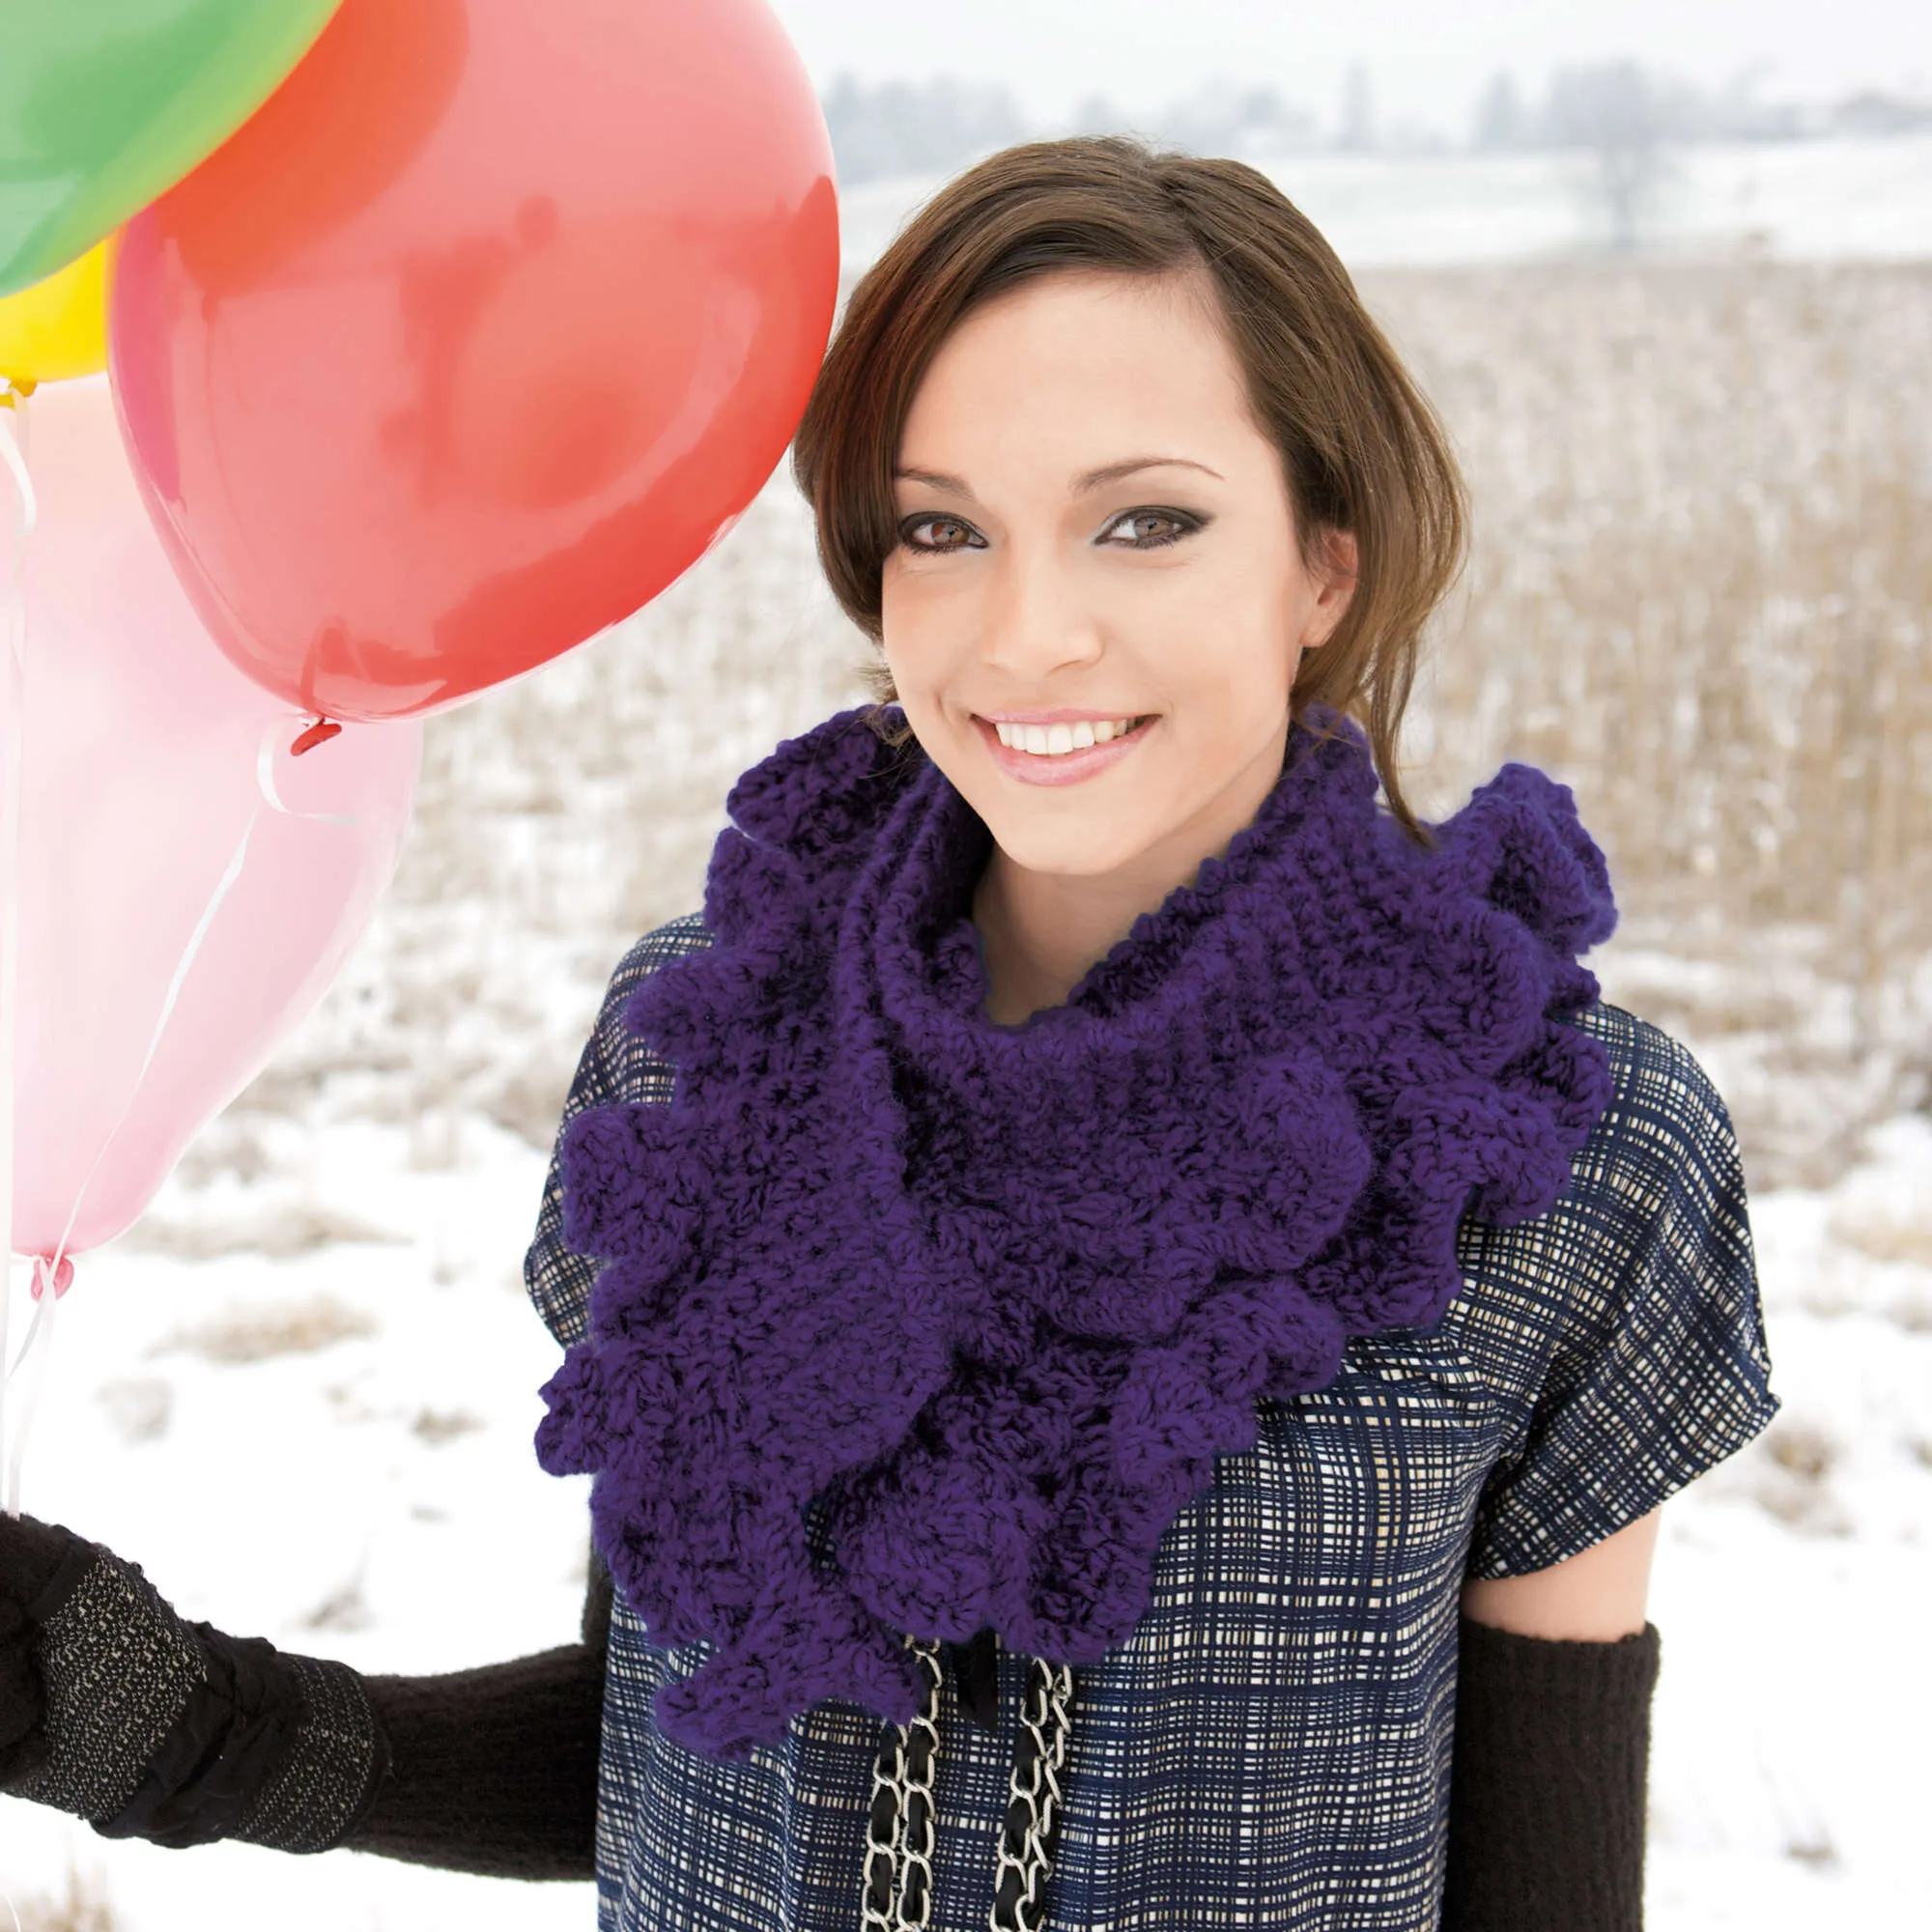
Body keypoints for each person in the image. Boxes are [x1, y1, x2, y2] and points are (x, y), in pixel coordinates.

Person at [0, 135, 1779, 1931]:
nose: (1028, 633)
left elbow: (1546, 1885)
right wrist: (185, 1725)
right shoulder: (701, 1067)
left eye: (1146, 520)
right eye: (944, 530)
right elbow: (667, 1745)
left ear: (1325, 564)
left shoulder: (1557, 1157)